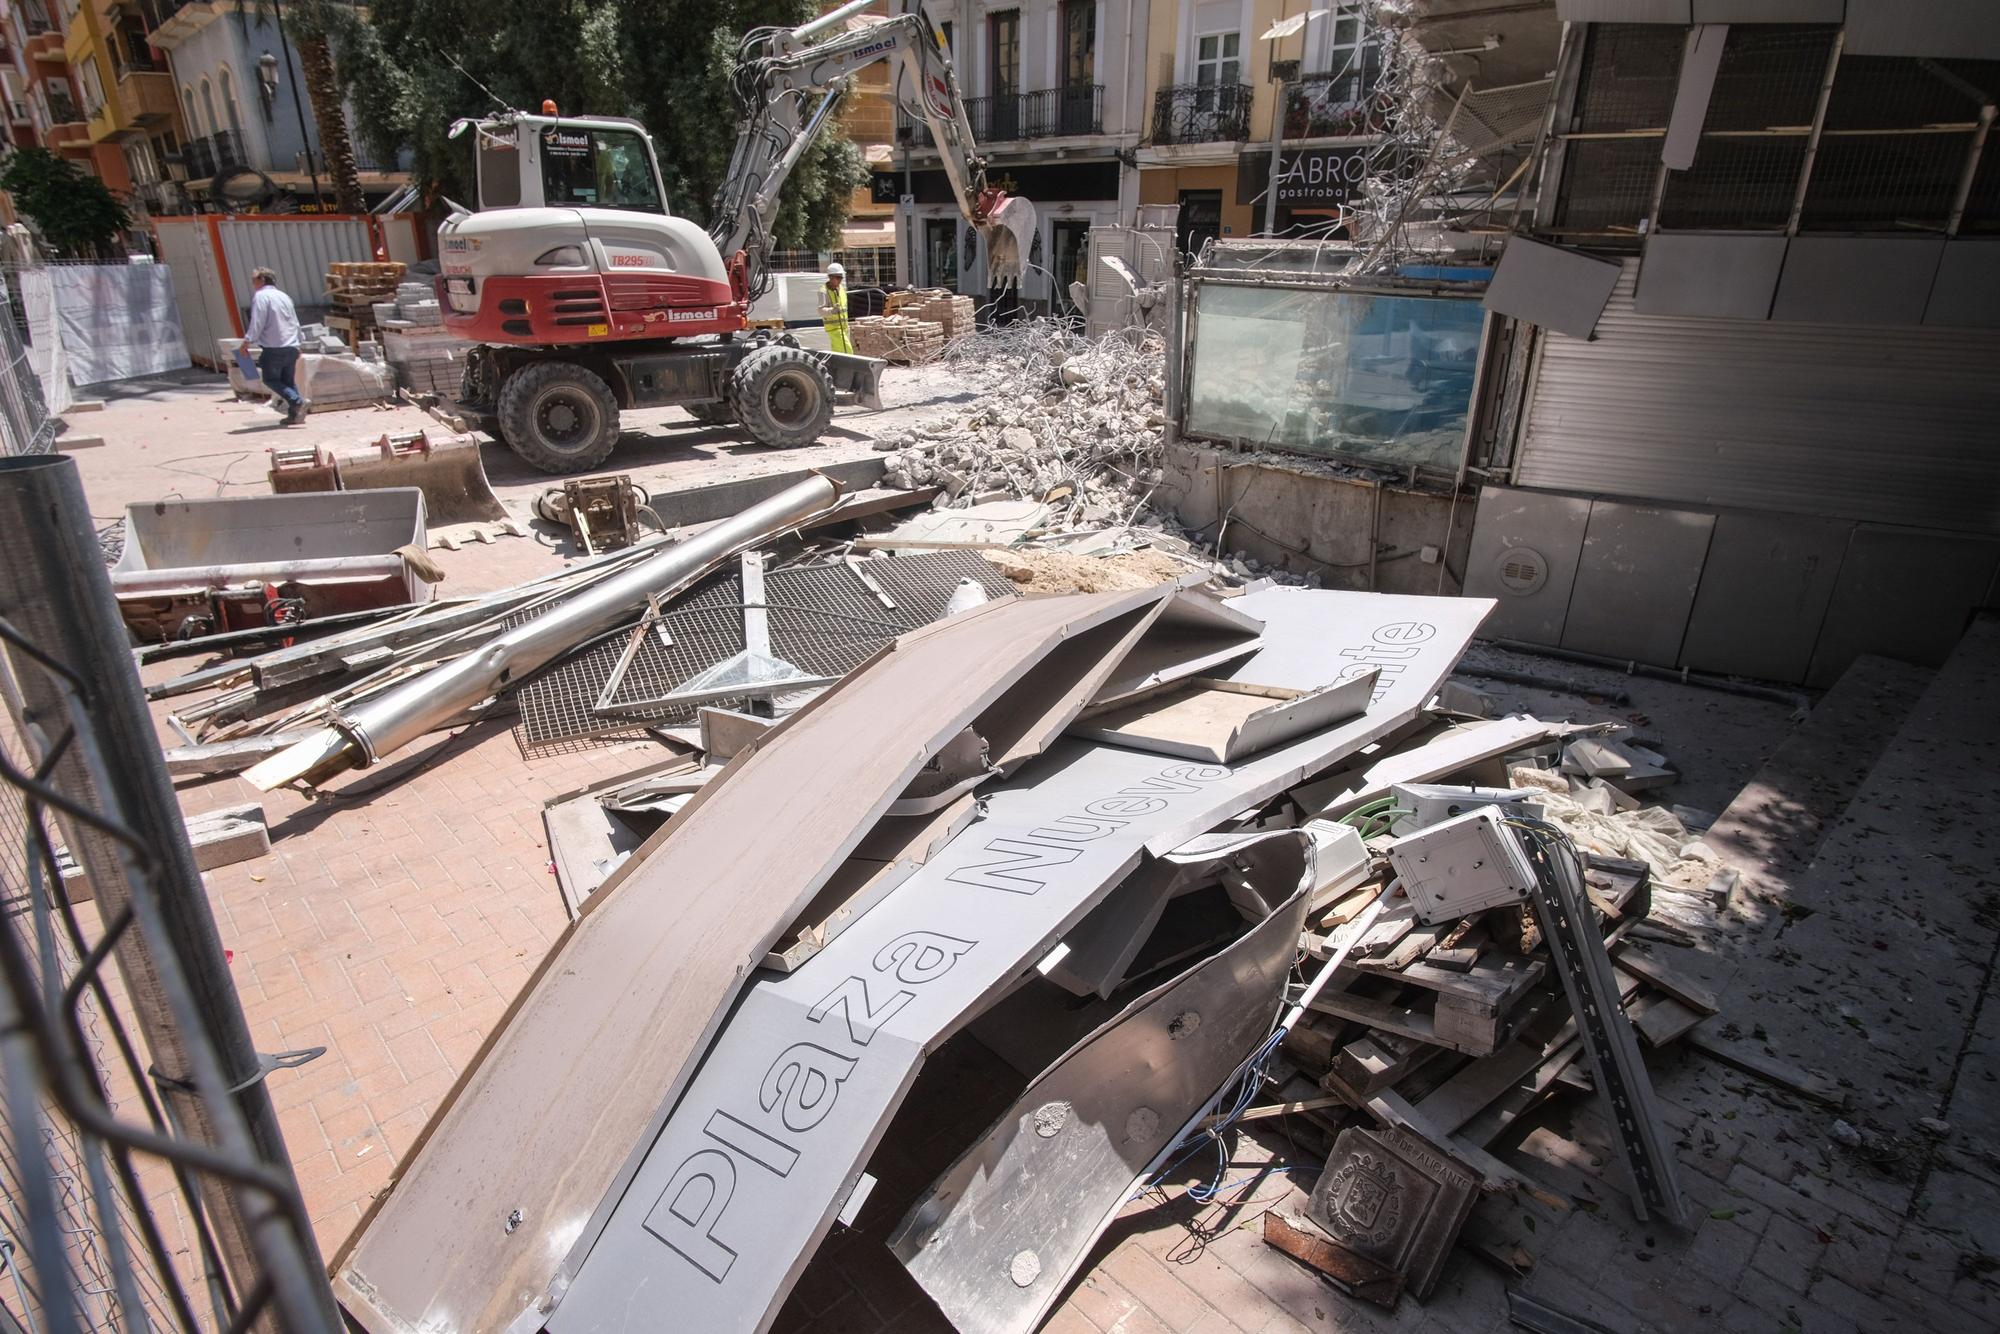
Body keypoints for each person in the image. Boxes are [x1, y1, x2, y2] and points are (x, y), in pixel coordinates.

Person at [243, 266, 307, 425]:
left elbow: (257, 321)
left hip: (274, 347)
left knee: (270, 379)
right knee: (288, 382)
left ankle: (296, 400)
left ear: (262, 280)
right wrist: (299, 342)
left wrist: (247, 341)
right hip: (291, 345)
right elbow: (294, 321)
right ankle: (295, 415)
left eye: (254, 280)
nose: (253, 284)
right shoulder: (284, 296)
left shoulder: (261, 296)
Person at [819, 261, 851, 354]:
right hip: (834, 329)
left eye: (841, 277)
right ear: (830, 277)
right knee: (848, 352)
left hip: (844, 328)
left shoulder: (841, 289)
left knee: (838, 353)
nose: (840, 280)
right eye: (838, 277)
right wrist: (831, 311)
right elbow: (820, 310)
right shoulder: (823, 291)